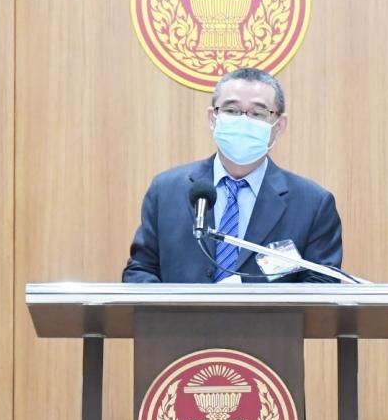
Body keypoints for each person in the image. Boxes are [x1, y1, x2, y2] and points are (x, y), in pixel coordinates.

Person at [122, 68, 342, 283]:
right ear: (213, 118)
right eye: (231, 110)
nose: (243, 121)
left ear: (279, 125)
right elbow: (140, 271)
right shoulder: (165, 191)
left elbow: (322, 287)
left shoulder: (312, 204)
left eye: (257, 113)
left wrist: (251, 302)